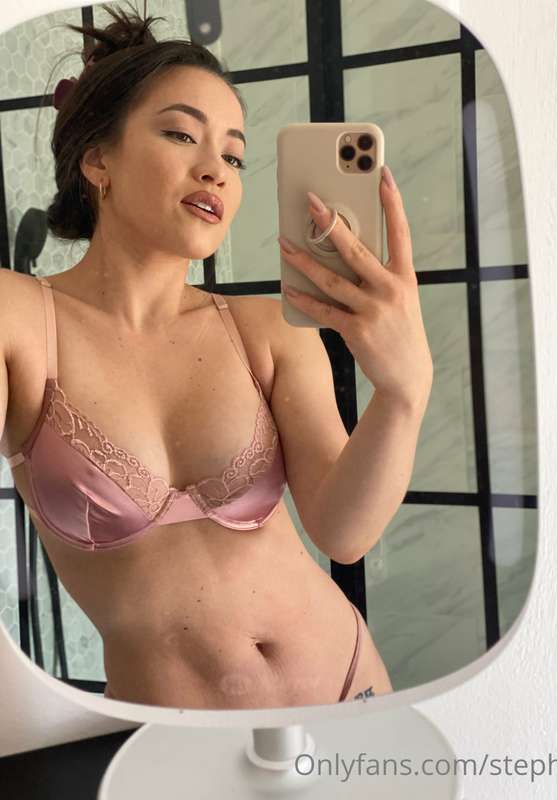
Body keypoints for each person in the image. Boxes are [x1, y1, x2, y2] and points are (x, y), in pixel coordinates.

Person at [0, 3, 396, 709]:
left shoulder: (265, 329)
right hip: (171, 739)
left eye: (234, 156)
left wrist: (403, 391)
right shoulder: (20, 317)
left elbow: (345, 533)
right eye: (182, 134)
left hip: (350, 690)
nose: (215, 170)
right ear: (98, 159)